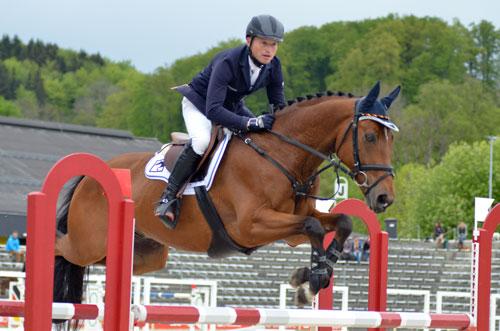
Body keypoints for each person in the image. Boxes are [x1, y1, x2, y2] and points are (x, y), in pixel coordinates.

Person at [155, 15, 286, 229]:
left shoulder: (273, 66)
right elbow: (213, 110)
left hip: (232, 106)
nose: (269, 50)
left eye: (274, 44)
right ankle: (167, 198)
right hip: (199, 103)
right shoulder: (228, 61)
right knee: (202, 141)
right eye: (264, 43)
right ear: (248, 40)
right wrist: (249, 123)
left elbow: (279, 106)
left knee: (258, 139)